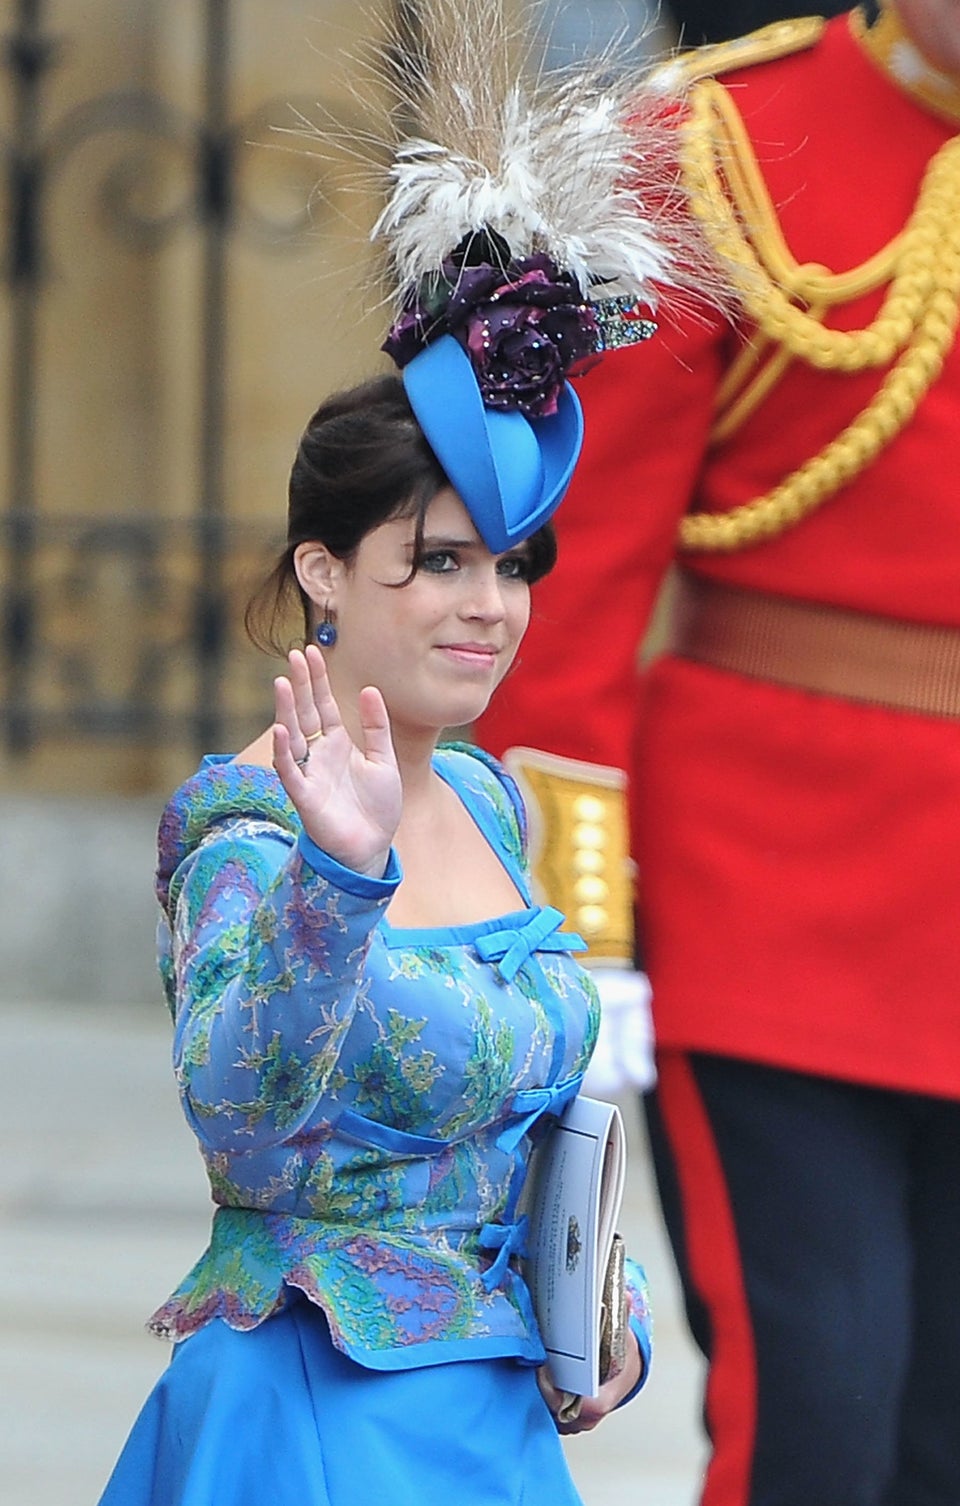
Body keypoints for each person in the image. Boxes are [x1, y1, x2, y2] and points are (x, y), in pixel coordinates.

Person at [477, 4, 960, 1505]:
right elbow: (572, 593)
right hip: (776, 904)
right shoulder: (713, 152)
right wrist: (571, 932)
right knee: (825, 1407)